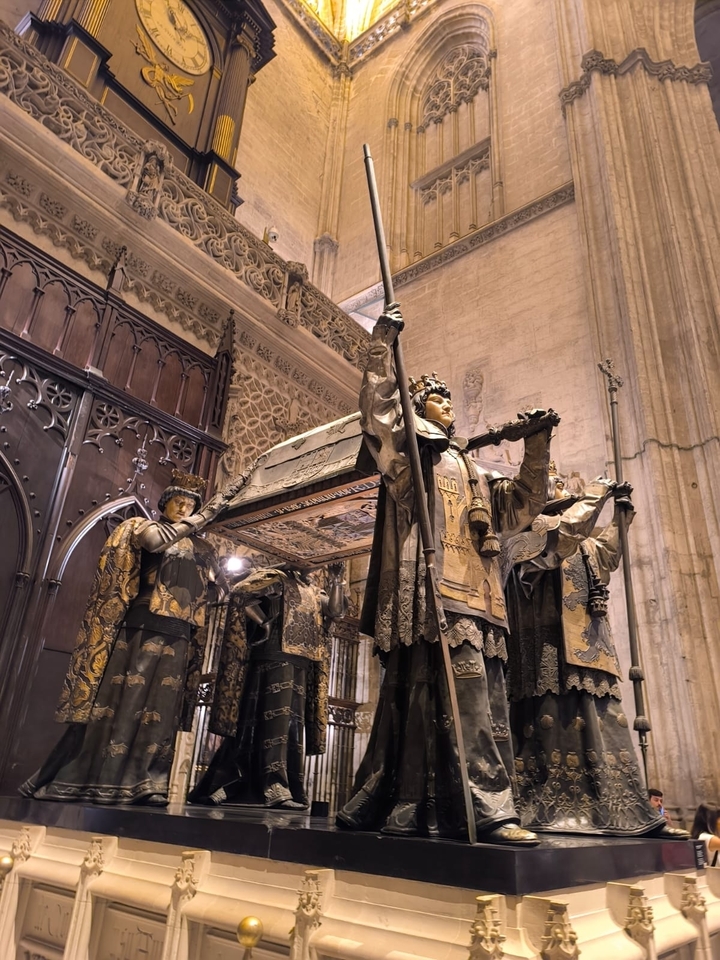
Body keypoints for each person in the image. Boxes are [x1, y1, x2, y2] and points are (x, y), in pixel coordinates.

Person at [336, 304, 558, 843]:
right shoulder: (413, 458)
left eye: (449, 400)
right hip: (431, 591)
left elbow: (522, 507)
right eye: (437, 398)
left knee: (482, 704)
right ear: (419, 408)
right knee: (427, 701)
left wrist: (536, 444)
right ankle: (474, 809)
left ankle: (457, 807)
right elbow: (379, 417)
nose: (448, 405)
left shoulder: (476, 471)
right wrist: (381, 344)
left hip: (478, 599)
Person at [20, 469, 243, 805]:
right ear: (165, 504)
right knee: (125, 702)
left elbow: (220, 591)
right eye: (178, 502)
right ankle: (96, 778)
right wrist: (202, 516)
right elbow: (155, 543)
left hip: (181, 632)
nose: (184, 509)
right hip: (143, 626)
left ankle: (147, 781)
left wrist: (224, 588)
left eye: (190, 505)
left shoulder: (203, 547)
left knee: (161, 711)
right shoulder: (143, 526)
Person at [503, 472, 686, 837]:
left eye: (561, 480)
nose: (561, 484)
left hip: (592, 647)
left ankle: (628, 812)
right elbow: (560, 541)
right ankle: (553, 809)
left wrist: (621, 516)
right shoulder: (523, 534)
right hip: (546, 653)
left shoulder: (583, 539)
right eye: (552, 480)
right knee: (555, 724)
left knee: (608, 727)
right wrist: (597, 493)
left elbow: (607, 555)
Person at [190, 564, 347, 809]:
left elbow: (336, 611)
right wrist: (263, 621)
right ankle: (272, 786)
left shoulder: (315, 591)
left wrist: (337, 580)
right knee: (274, 723)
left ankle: (282, 785)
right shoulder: (274, 577)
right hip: (273, 654)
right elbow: (241, 593)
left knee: (291, 728)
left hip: (302, 661)